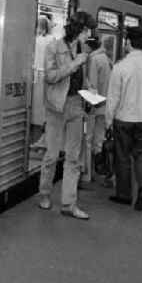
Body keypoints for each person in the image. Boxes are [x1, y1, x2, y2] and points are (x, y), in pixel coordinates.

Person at [37, 11, 97, 220]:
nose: (89, 34)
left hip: (76, 105)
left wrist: (91, 89)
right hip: (56, 107)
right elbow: (51, 77)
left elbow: (82, 78)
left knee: (74, 157)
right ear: (78, 29)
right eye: (87, 30)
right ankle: (44, 193)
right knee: (52, 155)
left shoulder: (82, 49)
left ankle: (68, 204)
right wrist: (74, 64)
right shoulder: (53, 48)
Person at [105, 26, 142, 211]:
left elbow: (113, 98)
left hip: (123, 119)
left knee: (122, 157)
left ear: (128, 43)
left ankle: (124, 195)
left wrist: (108, 120)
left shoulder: (120, 67)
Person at [85, 36, 113, 177]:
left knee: (88, 139)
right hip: (105, 105)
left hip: (94, 106)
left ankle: (87, 175)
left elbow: (93, 85)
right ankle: (101, 169)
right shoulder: (107, 59)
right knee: (99, 139)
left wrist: (90, 105)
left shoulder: (94, 59)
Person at [30, 15, 54, 150]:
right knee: (44, 110)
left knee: (36, 108)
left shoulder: (35, 40)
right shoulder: (52, 40)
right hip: (47, 76)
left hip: (36, 76)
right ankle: (42, 138)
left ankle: (37, 139)